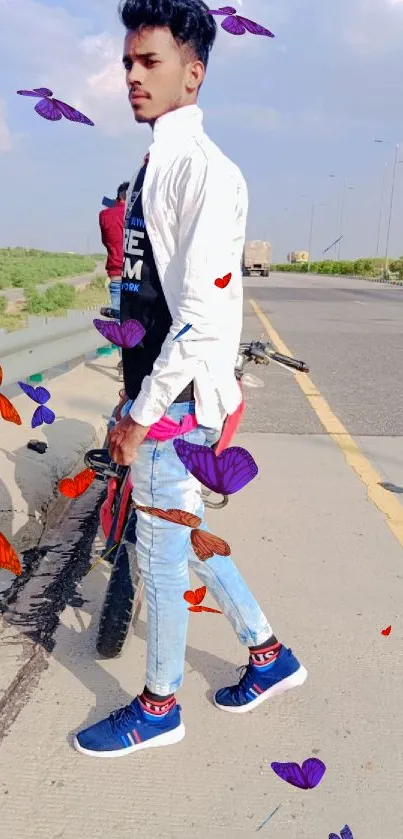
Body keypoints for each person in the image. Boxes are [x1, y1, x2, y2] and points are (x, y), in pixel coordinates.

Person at [74, 0, 307, 759]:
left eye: (151, 63)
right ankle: (268, 655)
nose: (133, 77)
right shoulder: (156, 164)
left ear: (193, 73)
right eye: (129, 64)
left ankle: (158, 705)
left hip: (174, 403)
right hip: (158, 390)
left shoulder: (203, 171)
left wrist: (141, 413)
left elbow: (203, 315)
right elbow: (148, 292)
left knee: (161, 557)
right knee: (185, 537)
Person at [99, 180, 130, 376]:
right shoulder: (138, 216)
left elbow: (105, 240)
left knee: (120, 320)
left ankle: (125, 364)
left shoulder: (105, 215)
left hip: (116, 273)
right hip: (138, 275)